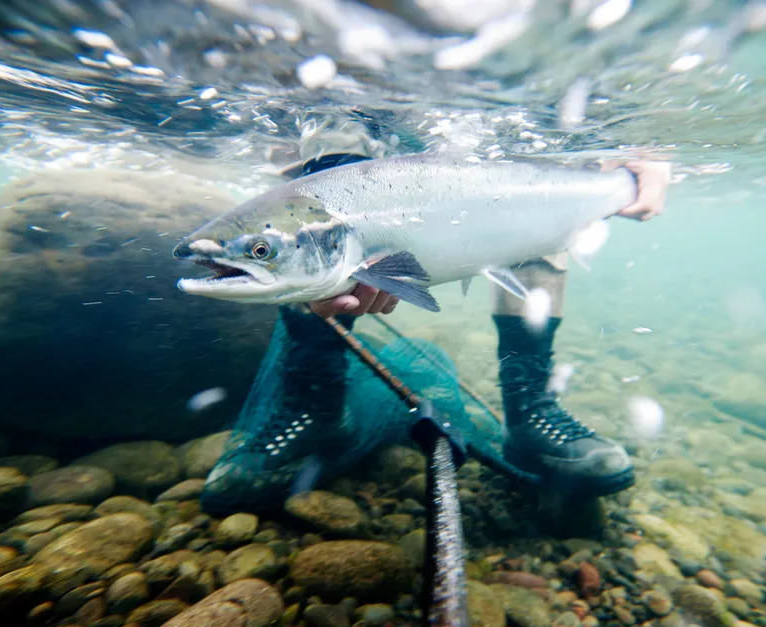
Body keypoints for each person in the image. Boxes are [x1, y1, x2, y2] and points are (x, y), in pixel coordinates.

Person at [199, 117, 671, 513]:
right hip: (348, 113)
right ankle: (314, 405)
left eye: (259, 249)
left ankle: (530, 412)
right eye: (259, 249)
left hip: (503, 101)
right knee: (331, 150)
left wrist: (640, 163)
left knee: (531, 195)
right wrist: (338, 173)